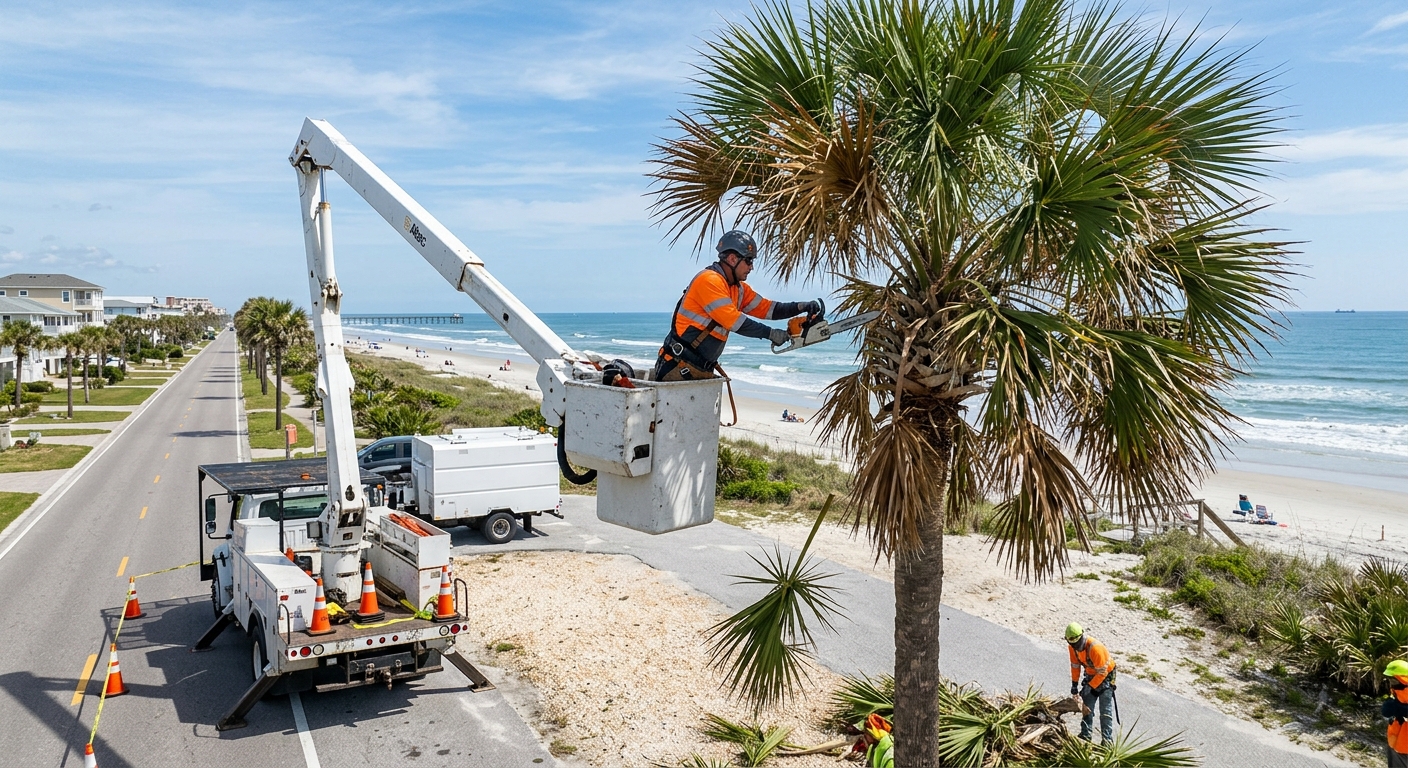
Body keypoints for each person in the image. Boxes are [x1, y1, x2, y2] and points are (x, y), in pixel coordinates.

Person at [652, 230, 821, 382]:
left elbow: (768, 308)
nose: (751, 267)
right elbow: (735, 322)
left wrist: (801, 306)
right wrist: (771, 334)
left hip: (697, 370)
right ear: (733, 259)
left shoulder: (738, 289)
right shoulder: (709, 281)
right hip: (677, 368)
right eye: (748, 261)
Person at [1065, 622, 1118, 745]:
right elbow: (1075, 666)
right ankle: (1085, 735)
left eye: (1077, 644)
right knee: (1087, 707)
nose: (1076, 647)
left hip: (1106, 677)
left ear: (1082, 637)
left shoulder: (1095, 648)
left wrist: (1091, 687)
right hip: (1090, 675)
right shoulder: (1072, 647)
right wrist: (1074, 684)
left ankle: (1107, 741)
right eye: (1072, 644)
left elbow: (1103, 672)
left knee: (1105, 710)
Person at [1386, 661, 1408, 766]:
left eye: (1393, 679)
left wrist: (1399, 709)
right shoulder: (1395, 692)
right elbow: (1386, 710)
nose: (1391, 682)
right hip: (1394, 740)